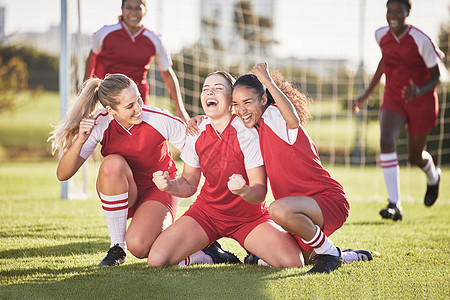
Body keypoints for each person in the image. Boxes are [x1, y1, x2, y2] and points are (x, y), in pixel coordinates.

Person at [49, 73, 233, 267]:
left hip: (159, 190)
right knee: (112, 164)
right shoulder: (100, 123)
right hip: (124, 190)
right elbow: (63, 174)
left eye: (138, 99)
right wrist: (80, 139)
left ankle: (206, 254)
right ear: (111, 110)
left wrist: (203, 121)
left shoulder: (158, 119)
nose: (138, 108)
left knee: (139, 247)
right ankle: (117, 248)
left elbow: (198, 141)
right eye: (130, 106)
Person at [148, 71, 304, 268]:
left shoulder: (248, 133)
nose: (210, 92)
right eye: (206, 89)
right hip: (206, 215)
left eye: (218, 88)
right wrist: (170, 185)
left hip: (248, 219)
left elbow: (259, 191)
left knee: (292, 262)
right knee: (156, 260)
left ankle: (255, 256)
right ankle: (211, 255)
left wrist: (244, 191)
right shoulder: (196, 131)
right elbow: (188, 184)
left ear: (232, 100)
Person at [230, 63, 363, 273]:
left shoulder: (274, 116)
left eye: (247, 102)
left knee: (277, 209)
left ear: (264, 99)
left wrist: (268, 83)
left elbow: (293, 119)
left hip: (326, 200)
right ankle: (347, 255)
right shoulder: (256, 128)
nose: (241, 109)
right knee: (303, 258)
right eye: (236, 104)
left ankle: (331, 255)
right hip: (299, 211)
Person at [352, 0, 444, 221]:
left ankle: (433, 176)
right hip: (393, 98)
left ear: (407, 13)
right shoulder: (380, 35)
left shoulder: (420, 40)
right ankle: (395, 204)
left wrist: (418, 90)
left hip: (421, 101)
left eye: (398, 12)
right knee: (386, 140)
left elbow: (437, 77)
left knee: (415, 157)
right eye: (389, 10)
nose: (392, 15)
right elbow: (385, 62)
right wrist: (365, 95)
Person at [84, 0, 190, 123]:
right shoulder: (105, 33)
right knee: (107, 137)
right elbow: (92, 57)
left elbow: (167, 73)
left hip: (137, 99)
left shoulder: (155, 40)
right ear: (122, 9)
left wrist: (180, 108)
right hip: (108, 97)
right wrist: (84, 89)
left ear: (145, 11)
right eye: (129, 7)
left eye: (138, 8)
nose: (133, 12)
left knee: (136, 138)